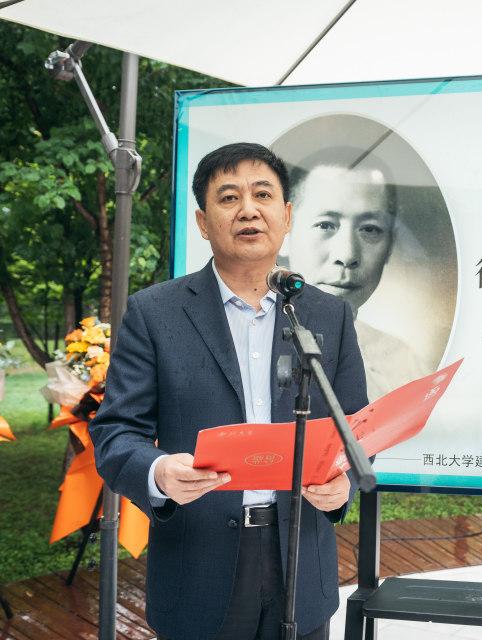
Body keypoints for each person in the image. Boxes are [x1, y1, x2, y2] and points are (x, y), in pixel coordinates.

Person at [89, 142, 368, 640]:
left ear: (286, 216)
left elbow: (356, 427)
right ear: (203, 222)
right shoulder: (155, 314)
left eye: (262, 195)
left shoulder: (328, 315)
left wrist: (341, 481)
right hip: (198, 561)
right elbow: (115, 432)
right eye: (229, 197)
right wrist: (158, 472)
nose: (248, 210)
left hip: (302, 563)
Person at [284, 147, 430, 400]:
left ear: (390, 244)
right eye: (325, 225)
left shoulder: (406, 367)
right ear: (283, 231)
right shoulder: (242, 345)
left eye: (370, 229)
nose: (348, 255)